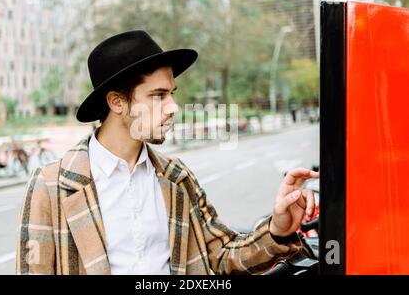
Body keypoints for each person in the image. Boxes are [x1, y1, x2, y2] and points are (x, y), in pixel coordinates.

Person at [16, 30, 318, 275]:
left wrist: (278, 229)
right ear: (117, 102)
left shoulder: (177, 178)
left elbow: (222, 257)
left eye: (171, 94)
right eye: (157, 96)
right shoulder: (52, 187)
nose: (173, 107)